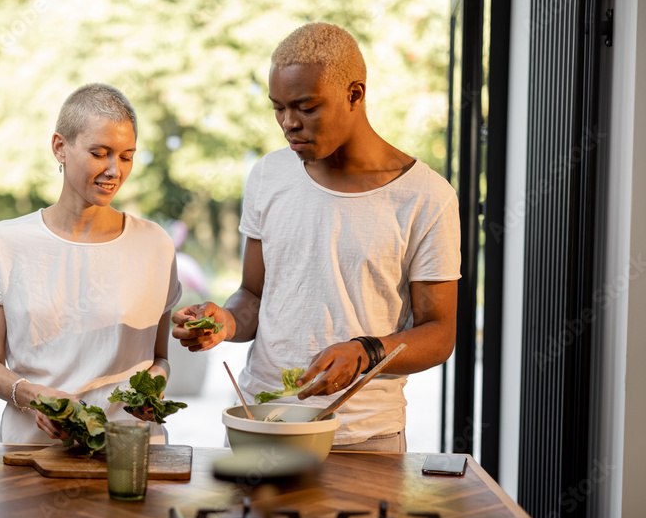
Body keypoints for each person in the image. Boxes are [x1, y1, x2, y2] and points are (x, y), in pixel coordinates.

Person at [172, 23, 460, 452]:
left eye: (306, 107)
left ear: (355, 94)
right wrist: (225, 321)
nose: (289, 123)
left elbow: (439, 333)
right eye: (278, 108)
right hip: (260, 423)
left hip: (364, 434)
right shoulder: (269, 175)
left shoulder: (425, 196)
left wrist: (366, 351)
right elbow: (252, 295)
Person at [0, 83, 181, 444]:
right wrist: (35, 397)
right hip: (31, 454)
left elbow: (159, 358)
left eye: (127, 156)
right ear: (60, 147)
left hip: (128, 452)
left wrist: (152, 389)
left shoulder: (155, 245)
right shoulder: (6, 242)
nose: (115, 170)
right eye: (100, 153)